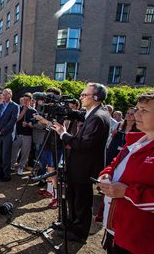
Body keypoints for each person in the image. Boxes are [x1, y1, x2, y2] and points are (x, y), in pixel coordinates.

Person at [53, 83, 111, 243]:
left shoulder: (99, 117)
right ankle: (70, 225)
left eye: (84, 95)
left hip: (84, 169)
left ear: (96, 98)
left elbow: (84, 145)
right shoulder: (93, 113)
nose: (81, 97)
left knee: (81, 203)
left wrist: (63, 135)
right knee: (72, 198)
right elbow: (80, 115)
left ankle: (79, 234)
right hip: (78, 166)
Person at [98, 91, 154, 254]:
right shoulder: (136, 141)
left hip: (140, 242)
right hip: (117, 232)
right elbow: (115, 165)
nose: (136, 113)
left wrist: (127, 192)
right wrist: (106, 175)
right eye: (137, 109)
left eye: (144, 110)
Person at [0, 88, 19, 182]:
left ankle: (6, 175)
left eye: (5, 94)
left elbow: (12, 121)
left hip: (7, 134)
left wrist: (2, 131)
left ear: (10, 95)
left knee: (6, 155)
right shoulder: (0, 105)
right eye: (3, 94)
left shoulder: (15, 106)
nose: (3, 96)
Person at [11, 93, 37, 175]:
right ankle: (12, 165)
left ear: (30, 101)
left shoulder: (33, 111)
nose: (25, 101)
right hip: (18, 134)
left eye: (27, 100)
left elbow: (34, 124)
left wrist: (28, 124)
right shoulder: (19, 108)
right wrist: (24, 110)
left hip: (27, 135)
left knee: (25, 153)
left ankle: (21, 167)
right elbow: (17, 119)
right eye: (24, 99)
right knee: (14, 151)